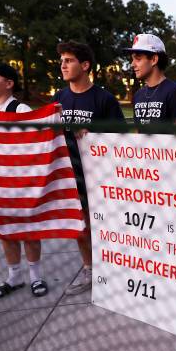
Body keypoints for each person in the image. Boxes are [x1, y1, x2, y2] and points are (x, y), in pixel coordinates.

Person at [53, 41, 126, 296]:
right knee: (79, 226)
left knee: (105, 225)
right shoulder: (60, 97)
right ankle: (89, 268)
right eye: (62, 60)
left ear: (85, 65)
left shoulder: (103, 99)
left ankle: (113, 269)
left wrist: (93, 134)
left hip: (100, 176)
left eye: (69, 60)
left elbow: (122, 140)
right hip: (71, 174)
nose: (63, 64)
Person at [0, 63, 48, 299]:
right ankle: (14, 276)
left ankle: (36, 276)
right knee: (6, 232)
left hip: (21, 182)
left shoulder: (19, 109)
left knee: (29, 231)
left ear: (9, 83)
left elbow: (39, 139)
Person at [124, 34, 176, 125]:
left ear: (154, 59)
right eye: (132, 59)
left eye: (138, 59)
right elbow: (138, 134)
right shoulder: (138, 95)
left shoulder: (175, 93)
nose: (132, 64)